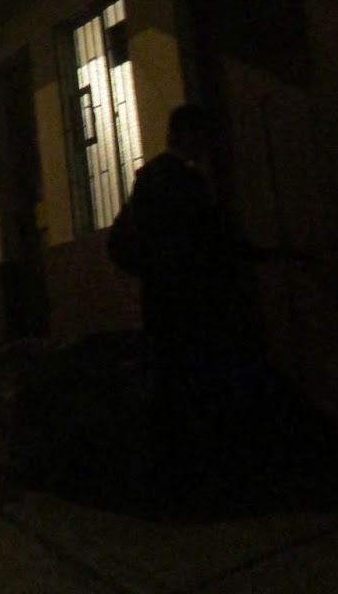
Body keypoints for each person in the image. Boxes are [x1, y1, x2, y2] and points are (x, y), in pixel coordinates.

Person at [108, 104, 249, 500]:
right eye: (200, 135)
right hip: (187, 299)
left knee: (171, 380)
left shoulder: (155, 179)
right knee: (188, 380)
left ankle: (174, 475)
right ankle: (188, 474)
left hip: (166, 298)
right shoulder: (178, 181)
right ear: (186, 135)